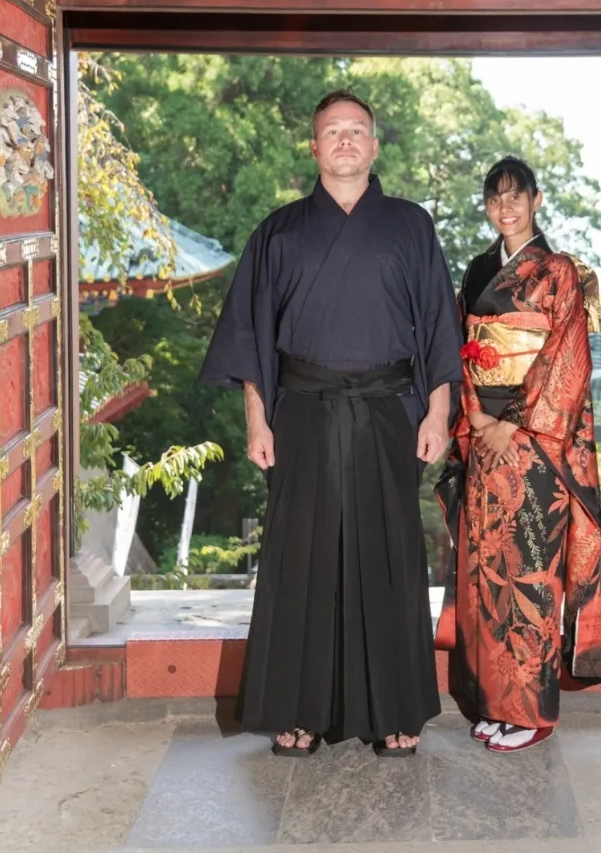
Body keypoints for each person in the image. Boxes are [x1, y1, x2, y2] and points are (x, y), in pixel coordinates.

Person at [199, 89, 463, 758]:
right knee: (301, 562)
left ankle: (396, 710)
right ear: (313, 148)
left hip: (388, 410)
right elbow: (252, 336)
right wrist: (258, 421)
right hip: (303, 412)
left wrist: (437, 412)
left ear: (375, 146)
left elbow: (437, 324)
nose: (345, 141)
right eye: (332, 132)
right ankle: (298, 711)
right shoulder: (279, 231)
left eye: (357, 131)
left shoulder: (409, 225)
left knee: (390, 559)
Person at [435, 156, 601, 753]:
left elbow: (568, 359)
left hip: (536, 445)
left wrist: (512, 423)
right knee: (488, 571)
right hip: (483, 432)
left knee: (530, 571)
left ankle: (532, 712)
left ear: (536, 200)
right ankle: (493, 702)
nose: (505, 208)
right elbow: (462, 348)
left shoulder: (558, 271)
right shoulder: (480, 268)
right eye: (494, 199)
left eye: (516, 196)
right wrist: (477, 417)